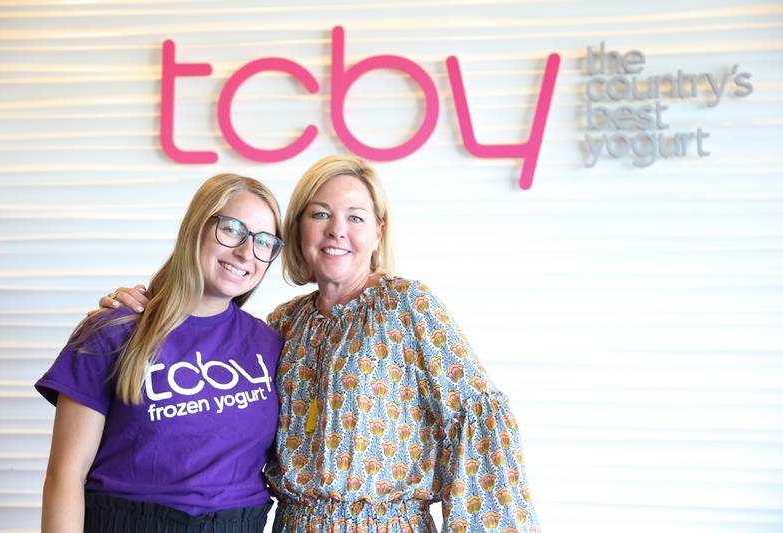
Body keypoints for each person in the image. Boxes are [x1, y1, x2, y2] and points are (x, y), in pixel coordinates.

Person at [104, 156, 540, 532]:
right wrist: (143, 311)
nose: (337, 231)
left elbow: (477, 421)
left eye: (355, 216)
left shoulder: (407, 307)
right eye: (319, 215)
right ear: (297, 230)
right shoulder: (282, 325)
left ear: (377, 231)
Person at [36, 174, 286, 533]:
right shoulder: (112, 332)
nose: (247, 252)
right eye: (232, 229)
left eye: (264, 241)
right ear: (196, 227)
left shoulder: (271, 344)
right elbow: (65, 474)